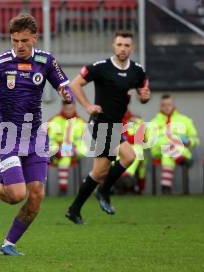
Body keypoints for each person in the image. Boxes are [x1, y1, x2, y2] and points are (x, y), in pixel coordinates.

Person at [0, 14, 73, 256]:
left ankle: (8, 244)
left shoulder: (46, 61)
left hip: (35, 137)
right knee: (16, 195)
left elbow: (64, 85)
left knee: (36, 195)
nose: (19, 46)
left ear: (35, 37)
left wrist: (67, 94)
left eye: (24, 40)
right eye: (14, 41)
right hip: (8, 137)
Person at [65, 31, 151, 224]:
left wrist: (145, 98)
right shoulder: (101, 67)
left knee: (99, 172)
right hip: (101, 123)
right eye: (119, 44)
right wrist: (87, 105)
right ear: (113, 46)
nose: (123, 48)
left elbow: (144, 94)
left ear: (132, 48)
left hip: (115, 125)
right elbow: (75, 84)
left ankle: (74, 209)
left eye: (127, 45)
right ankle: (103, 191)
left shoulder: (137, 70)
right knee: (129, 156)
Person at [149, 94, 199, 194]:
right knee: (165, 142)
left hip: (179, 150)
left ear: (173, 105)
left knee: (167, 154)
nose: (167, 107)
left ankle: (166, 188)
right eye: (164, 105)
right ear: (160, 106)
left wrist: (189, 141)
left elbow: (195, 139)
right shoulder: (153, 122)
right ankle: (179, 158)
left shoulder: (185, 120)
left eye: (169, 104)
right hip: (158, 150)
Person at [48, 100, 87, 195]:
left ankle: (63, 189)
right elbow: (50, 139)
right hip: (58, 153)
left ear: (74, 108)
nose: (69, 111)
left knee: (83, 149)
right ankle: (63, 189)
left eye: (71, 108)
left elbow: (85, 142)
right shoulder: (55, 120)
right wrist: (56, 150)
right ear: (63, 108)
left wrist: (72, 149)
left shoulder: (81, 122)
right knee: (64, 157)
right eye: (67, 108)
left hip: (76, 151)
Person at [114, 110, 147, 195]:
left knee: (137, 150)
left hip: (133, 149)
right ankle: (124, 179)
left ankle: (126, 178)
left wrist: (127, 139)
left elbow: (141, 138)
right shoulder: (112, 119)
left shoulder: (137, 120)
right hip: (116, 149)